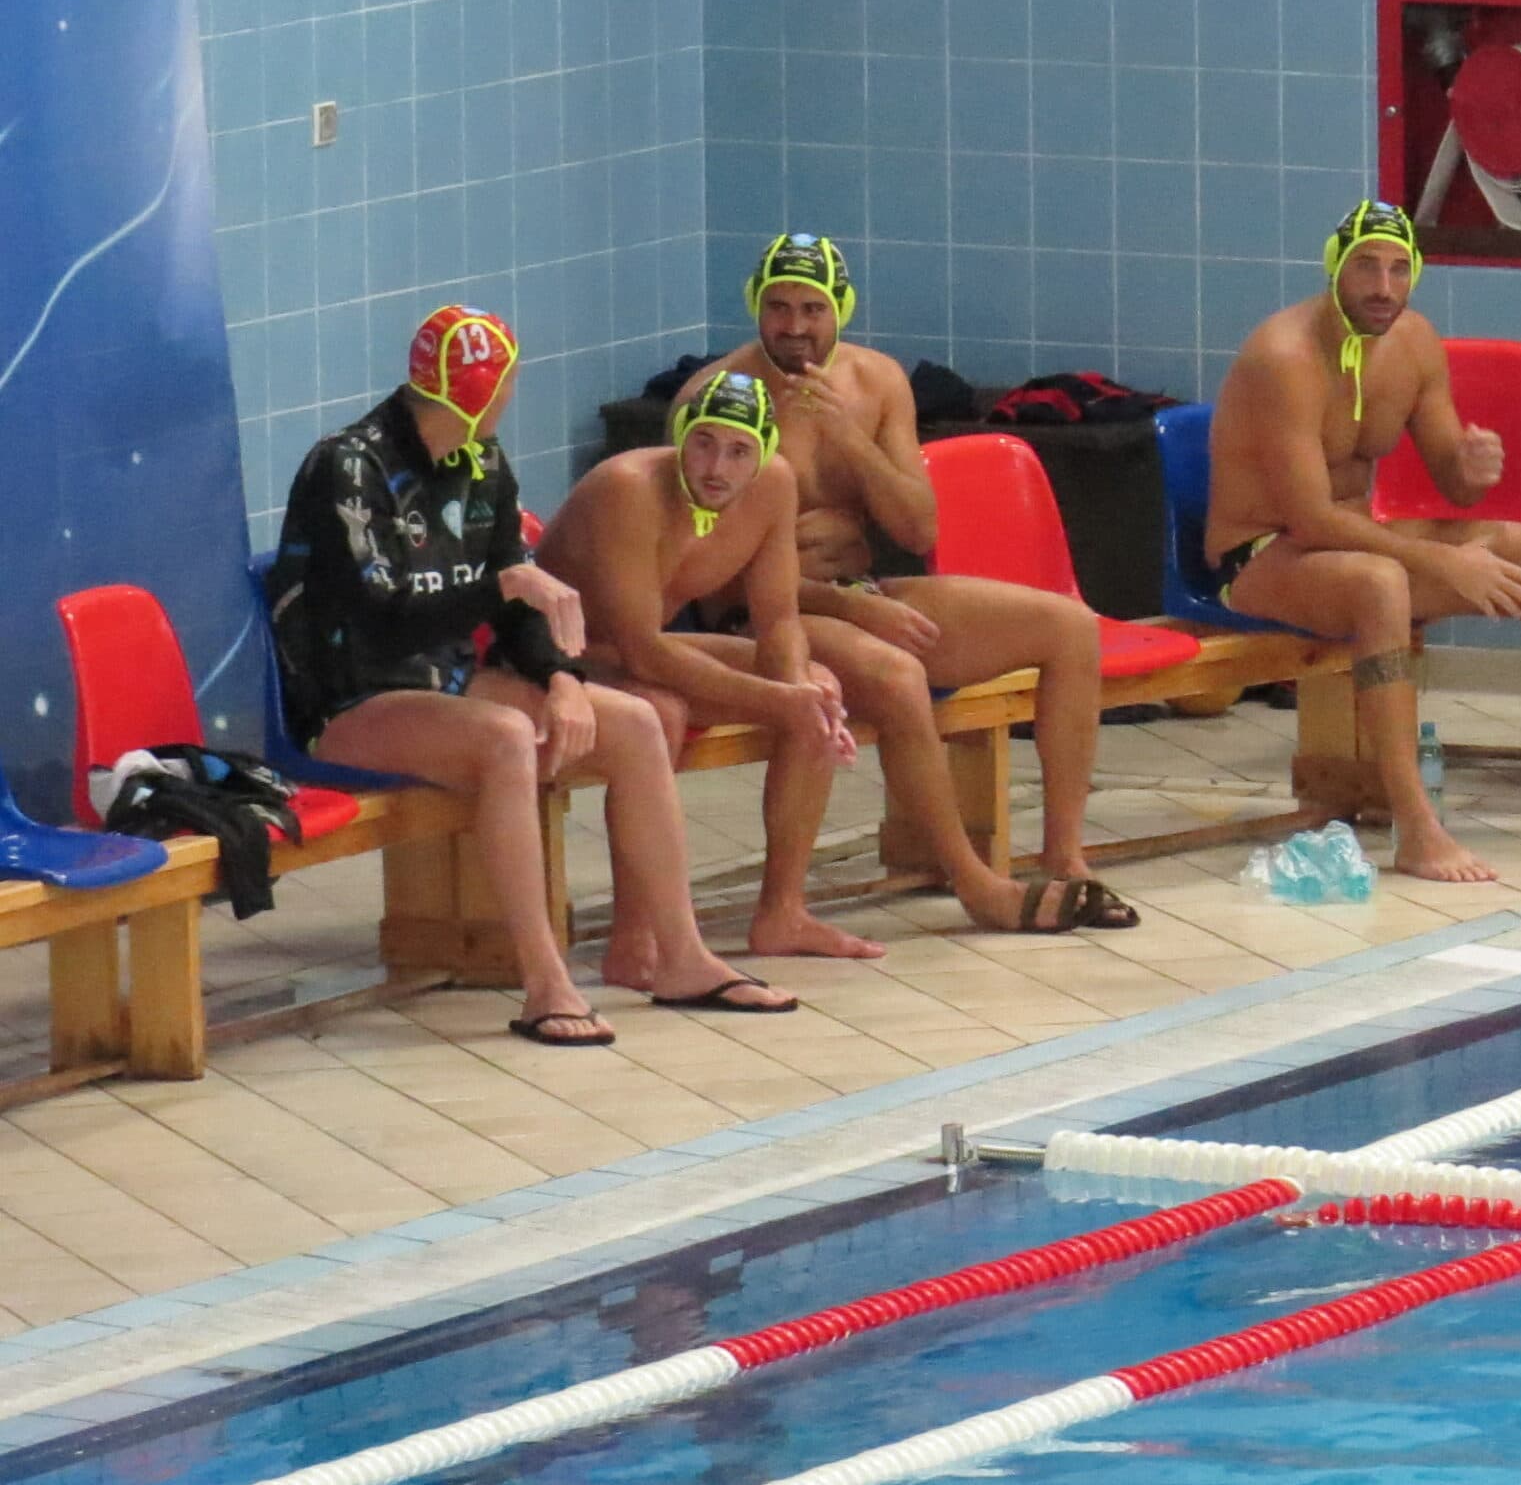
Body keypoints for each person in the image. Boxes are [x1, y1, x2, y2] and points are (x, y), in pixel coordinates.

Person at [267, 309, 796, 1043]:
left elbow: (522, 604)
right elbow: (385, 621)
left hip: (446, 681)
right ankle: (545, 983)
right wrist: (502, 591)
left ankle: (682, 957)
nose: (511, 398)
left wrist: (562, 678)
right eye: (507, 384)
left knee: (635, 723)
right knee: (506, 737)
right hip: (348, 700)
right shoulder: (349, 468)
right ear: (480, 392)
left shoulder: (483, 462)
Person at [551, 374, 1132, 945]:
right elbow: (644, 650)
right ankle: (639, 938)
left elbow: (781, 621)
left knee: (818, 691)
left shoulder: (778, 478)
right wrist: (785, 695)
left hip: (672, 641)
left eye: (737, 451)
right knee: (747, 703)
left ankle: (783, 913)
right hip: (568, 660)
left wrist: (799, 690)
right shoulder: (628, 489)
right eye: (703, 443)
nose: (716, 467)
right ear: (680, 435)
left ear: (762, 454)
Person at [1208, 199, 1521, 881]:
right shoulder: (1284, 358)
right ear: (1335, 268)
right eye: (1366, 267)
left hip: (1356, 540)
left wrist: (1472, 467)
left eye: (1398, 269)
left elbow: (1455, 488)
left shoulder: (1412, 343)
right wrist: (1440, 560)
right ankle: (1415, 828)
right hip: (1263, 554)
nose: (1383, 287)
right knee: (1381, 584)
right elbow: (1309, 519)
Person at [690, 232, 1135, 929]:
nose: (795, 327)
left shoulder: (878, 383)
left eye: (812, 309)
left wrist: (849, 439)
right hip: (765, 616)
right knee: (897, 675)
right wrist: (851, 609)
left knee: (1070, 628)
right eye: (778, 308)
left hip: (860, 592)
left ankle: (1064, 858)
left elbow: (918, 531)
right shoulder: (719, 401)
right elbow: (710, 581)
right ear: (755, 306)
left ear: (841, 310)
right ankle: (973, 881)